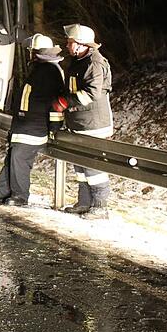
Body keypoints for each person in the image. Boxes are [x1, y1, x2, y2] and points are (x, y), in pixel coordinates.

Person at [0, 33, 65, 206]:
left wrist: (54, 126)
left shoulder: (51, 72)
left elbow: (55, 102)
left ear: (35, 52)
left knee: (19, 158)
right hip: (23, 126)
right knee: (13, 157)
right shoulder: (41, 70)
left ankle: (20, 196)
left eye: (31, 51)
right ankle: (3, 190)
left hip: (34, 127)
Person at [57, 23, 114, 219]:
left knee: (93, 166)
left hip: (93, 124)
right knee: (80, 165)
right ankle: (84, 202)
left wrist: (65, 102)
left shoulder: (94, 63)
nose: (67, 45)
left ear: (81, 44)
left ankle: (100, 207)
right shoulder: (79, 61)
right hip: (80, 123)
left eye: (70, 42)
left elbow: (92, 93)